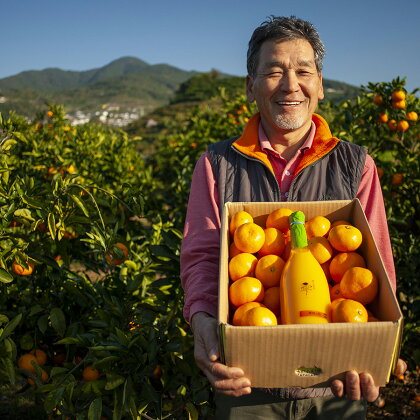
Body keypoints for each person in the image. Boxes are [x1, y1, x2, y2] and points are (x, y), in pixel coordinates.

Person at [180, 15, 406, 419]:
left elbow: (377, 266)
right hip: (248, 377)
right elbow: (202, 258)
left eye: (304, 71)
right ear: (251, 86)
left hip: (338, 375)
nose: (290, 85)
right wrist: (201, 323)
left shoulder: (356, 165)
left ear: (320, 84)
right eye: (273, 71)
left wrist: (382, 346)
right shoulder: (216, 164)